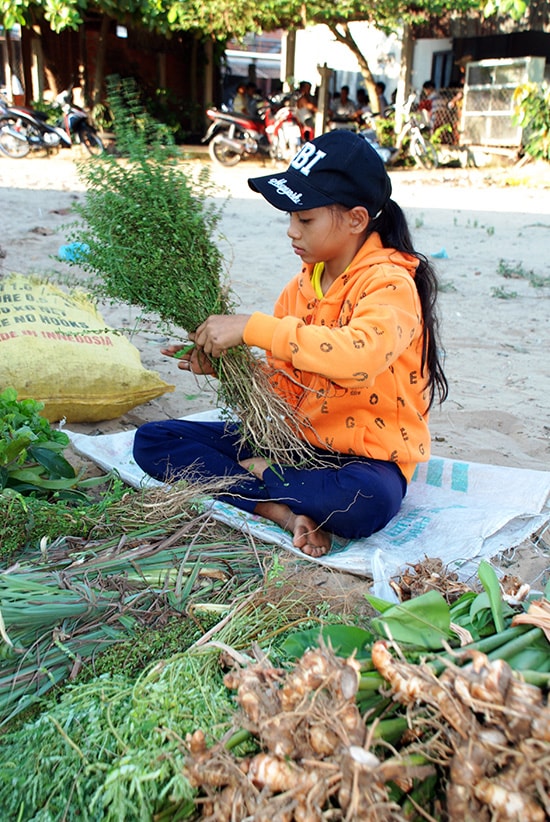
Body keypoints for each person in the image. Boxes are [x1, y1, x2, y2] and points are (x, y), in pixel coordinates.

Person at [133, 130, 448, 558]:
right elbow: (288, 381)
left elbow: (357, 356)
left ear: (356, 220)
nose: (291, 231)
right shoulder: (299, 288)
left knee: (365, 503)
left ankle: (266, 477)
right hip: (293, 444)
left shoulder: (389, 283)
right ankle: (280, 509)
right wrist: (233, 369)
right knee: (154, 441)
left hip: (364, 461)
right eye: (290, 218)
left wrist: (253, 328)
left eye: (305, 219)